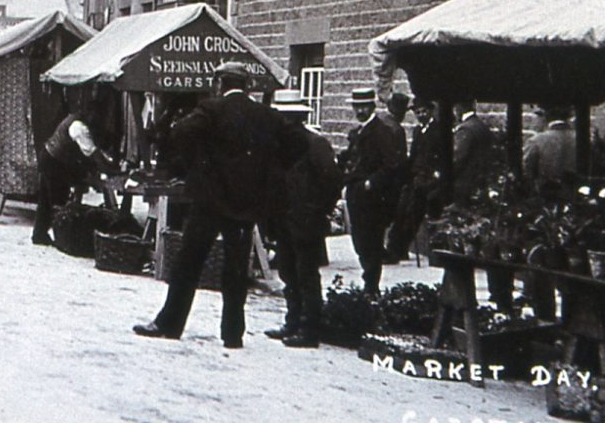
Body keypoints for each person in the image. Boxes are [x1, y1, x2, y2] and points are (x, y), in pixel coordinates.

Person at [134, 63, 305, 347]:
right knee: (237, 268)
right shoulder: (266, 115)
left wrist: (199, 167)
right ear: (247, 86)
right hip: (244, 204)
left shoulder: (211, 110)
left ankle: (169, 324)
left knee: (189, 263)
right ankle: (232, 334)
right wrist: (265, 170)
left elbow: (179, 134)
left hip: (209, 201)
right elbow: (299, 143)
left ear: (219, 84)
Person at [263, 88, 342, 348]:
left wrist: (318, 209)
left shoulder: (315, 144)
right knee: (287, 270)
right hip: (282, 218)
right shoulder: (277, 147)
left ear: (298, 118)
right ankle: (293, 321)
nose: (285, 123)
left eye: (289, 118)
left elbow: (332, 179)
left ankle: (309, 330)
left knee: (307, 273)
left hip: (306, 219)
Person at [341, 87, 407, 294]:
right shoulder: (359, 131)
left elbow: (392, 164)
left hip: (372, 198)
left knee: (370, 241)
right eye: (357, 107)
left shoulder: (382, 131)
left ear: (372, 107)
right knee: (360, 241)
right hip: (356, 192)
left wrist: (372, 183)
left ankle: (371, 286)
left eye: (364, 107)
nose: (360, 111)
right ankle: (369, 282)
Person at [32, 106, 119, 246]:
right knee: (56, 200)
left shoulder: (76, 119)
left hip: (50, 156)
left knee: (46, 200)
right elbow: (94, 154)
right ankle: (60, 237)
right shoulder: (79, 127)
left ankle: (39, 235)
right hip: (54, 161)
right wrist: (112, 170)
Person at [386, 96, 440, 262]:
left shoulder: (437, 131)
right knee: (403, 212)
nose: (421, 115)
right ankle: (395, 249)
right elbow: (414, 155)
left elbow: (440, 157)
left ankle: (401, 249)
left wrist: (432, 175)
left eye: (424, 111)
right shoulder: (417, 130)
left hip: (429, 180)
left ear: (431, 112)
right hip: (414, 177)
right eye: (418, 112)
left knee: (417, 214)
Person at [450, 100, 498, 202]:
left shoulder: (465, 129)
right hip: (480, 182)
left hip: (465, 184)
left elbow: (458, 158)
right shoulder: (481, 126)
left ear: (458, 109)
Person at [524, 104, 579, 190]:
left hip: (544, 196)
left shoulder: (536, 141)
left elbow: (527, 171)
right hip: (576, 196)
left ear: (544, 117)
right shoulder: (580, 139)